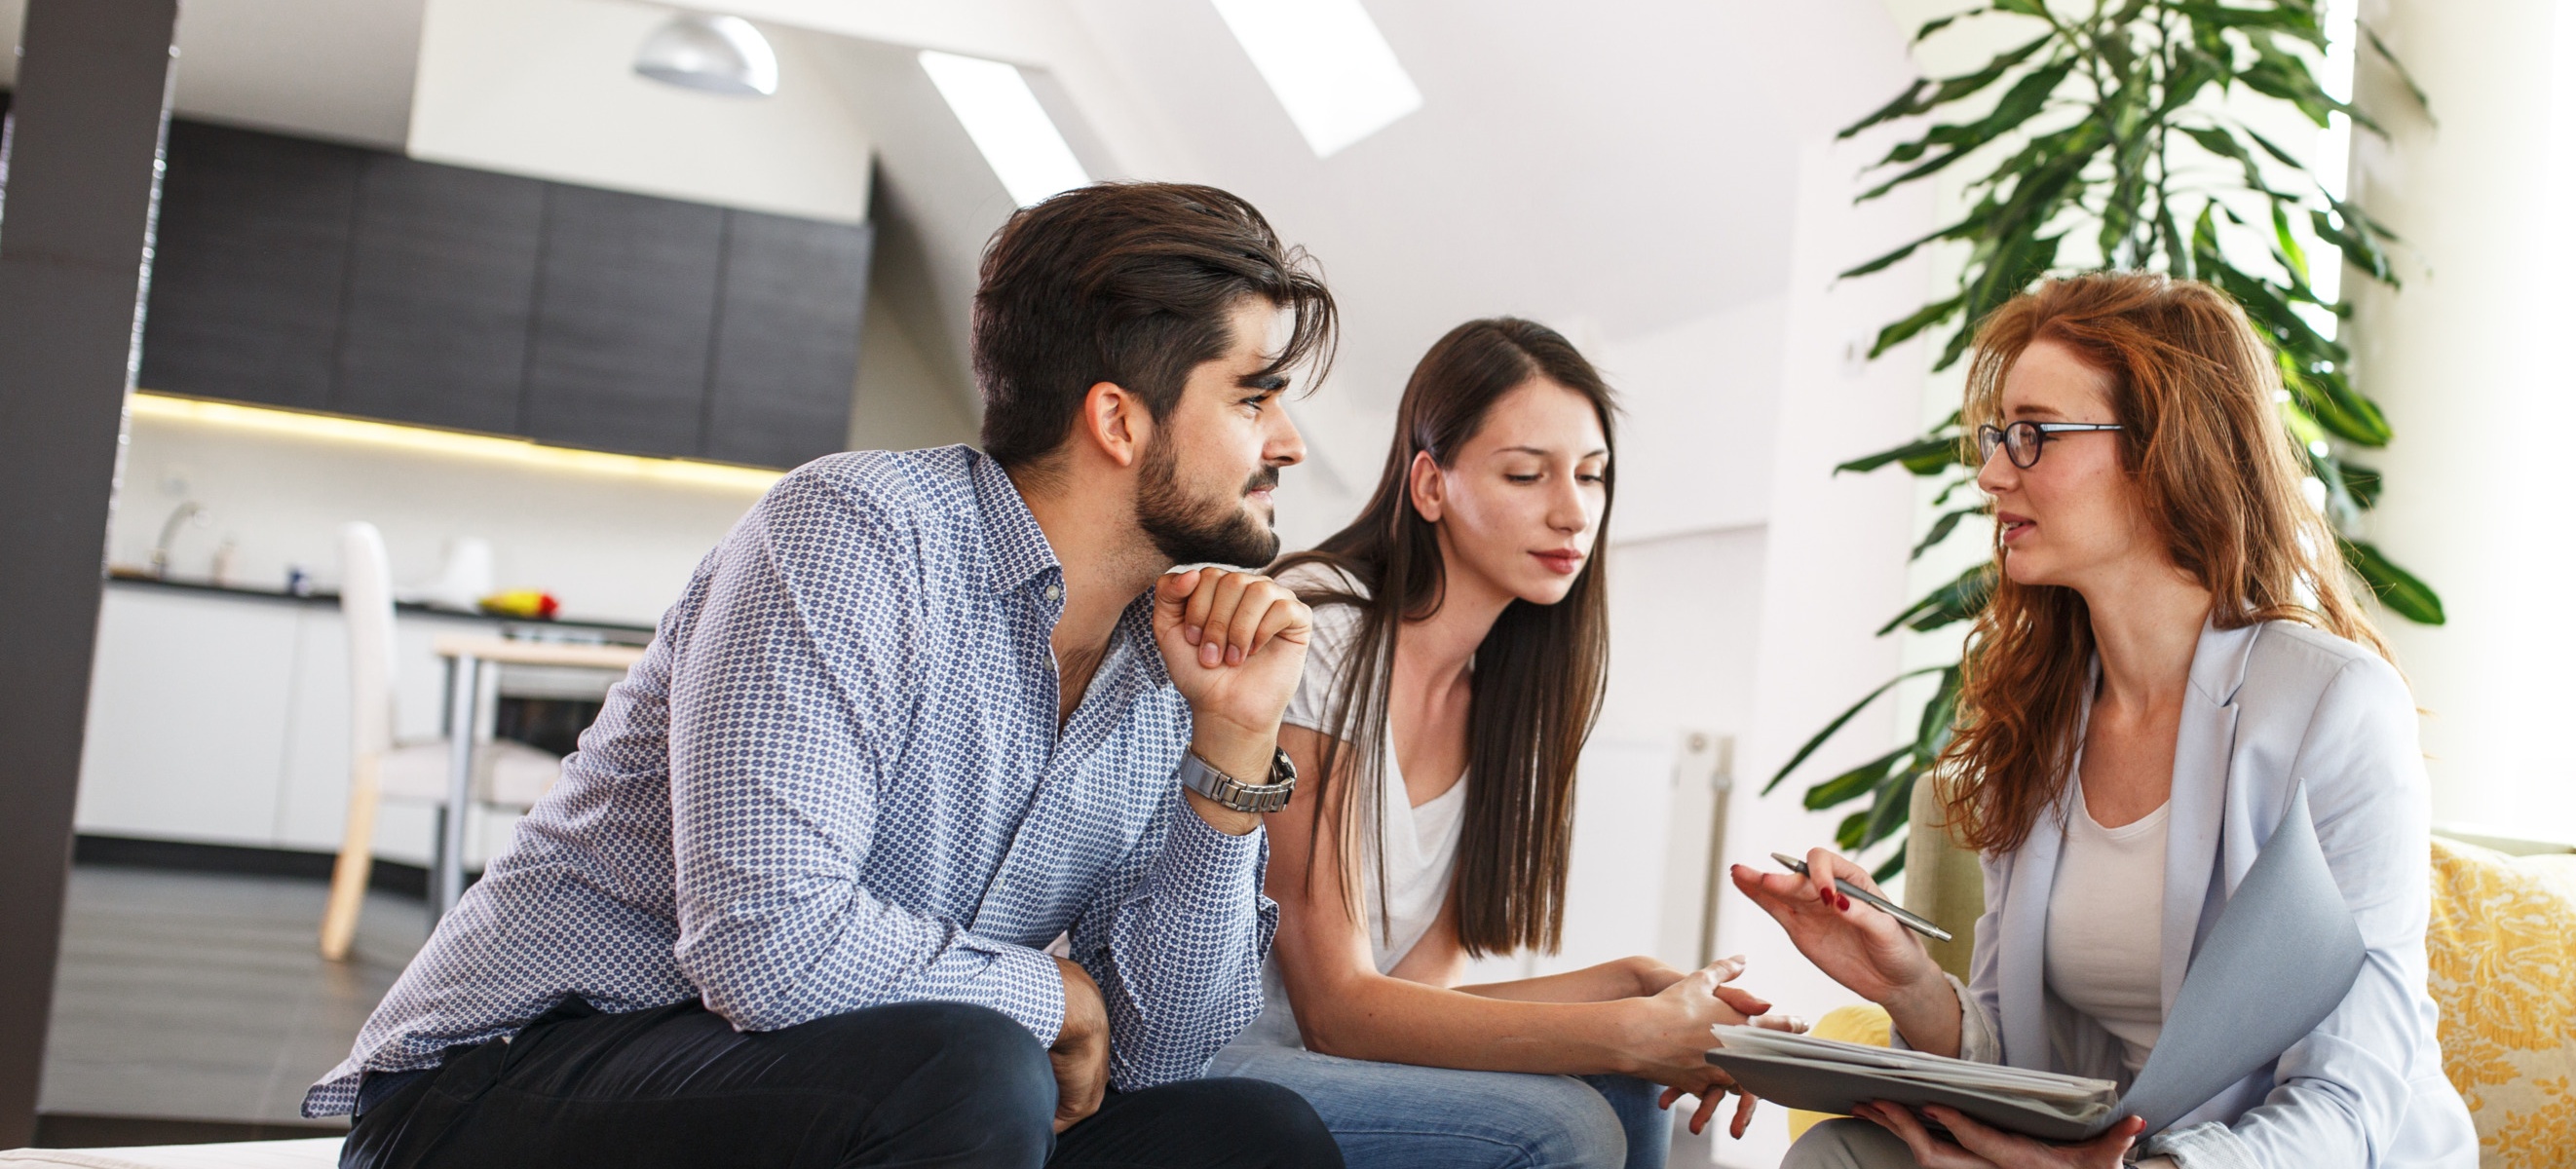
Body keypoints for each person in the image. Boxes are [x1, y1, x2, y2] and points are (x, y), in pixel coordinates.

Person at [308, 182, 1355, 1169]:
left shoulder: (1169, 654)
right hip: (506, 1081)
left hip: (819, 1080)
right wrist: (1050, 995)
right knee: (969, 1071)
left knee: (1249, 1136)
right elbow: (764, 945)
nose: (1288, 443)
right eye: (1253, 397)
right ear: (1118, 420)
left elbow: (1156, 1052)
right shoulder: (857, 533)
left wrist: (1230, 744)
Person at [1733, 274, 2480, 1169]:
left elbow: (2348, 1097)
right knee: (1842, 1159)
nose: (1991, 472)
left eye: (2033, 436)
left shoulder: (2335, 704)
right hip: (2089, 1153)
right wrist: (1908, 983)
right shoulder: (2043, 716)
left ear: (2163, 453)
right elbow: (2021, 1055)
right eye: (1997, 435)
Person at [1204, 319, 1799, 1169]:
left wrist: (1637, 989)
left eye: (1592, 478)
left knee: (1621, 1087)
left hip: (1320, 1059)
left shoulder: (1502, 706)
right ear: (1430, 485)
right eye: (1527, 474)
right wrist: (1627, 1031)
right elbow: (1338, 1010)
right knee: (1570, 1122)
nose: (1572, 512)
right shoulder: (1320, 632)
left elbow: (1409, 1002)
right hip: (1208, 1059)